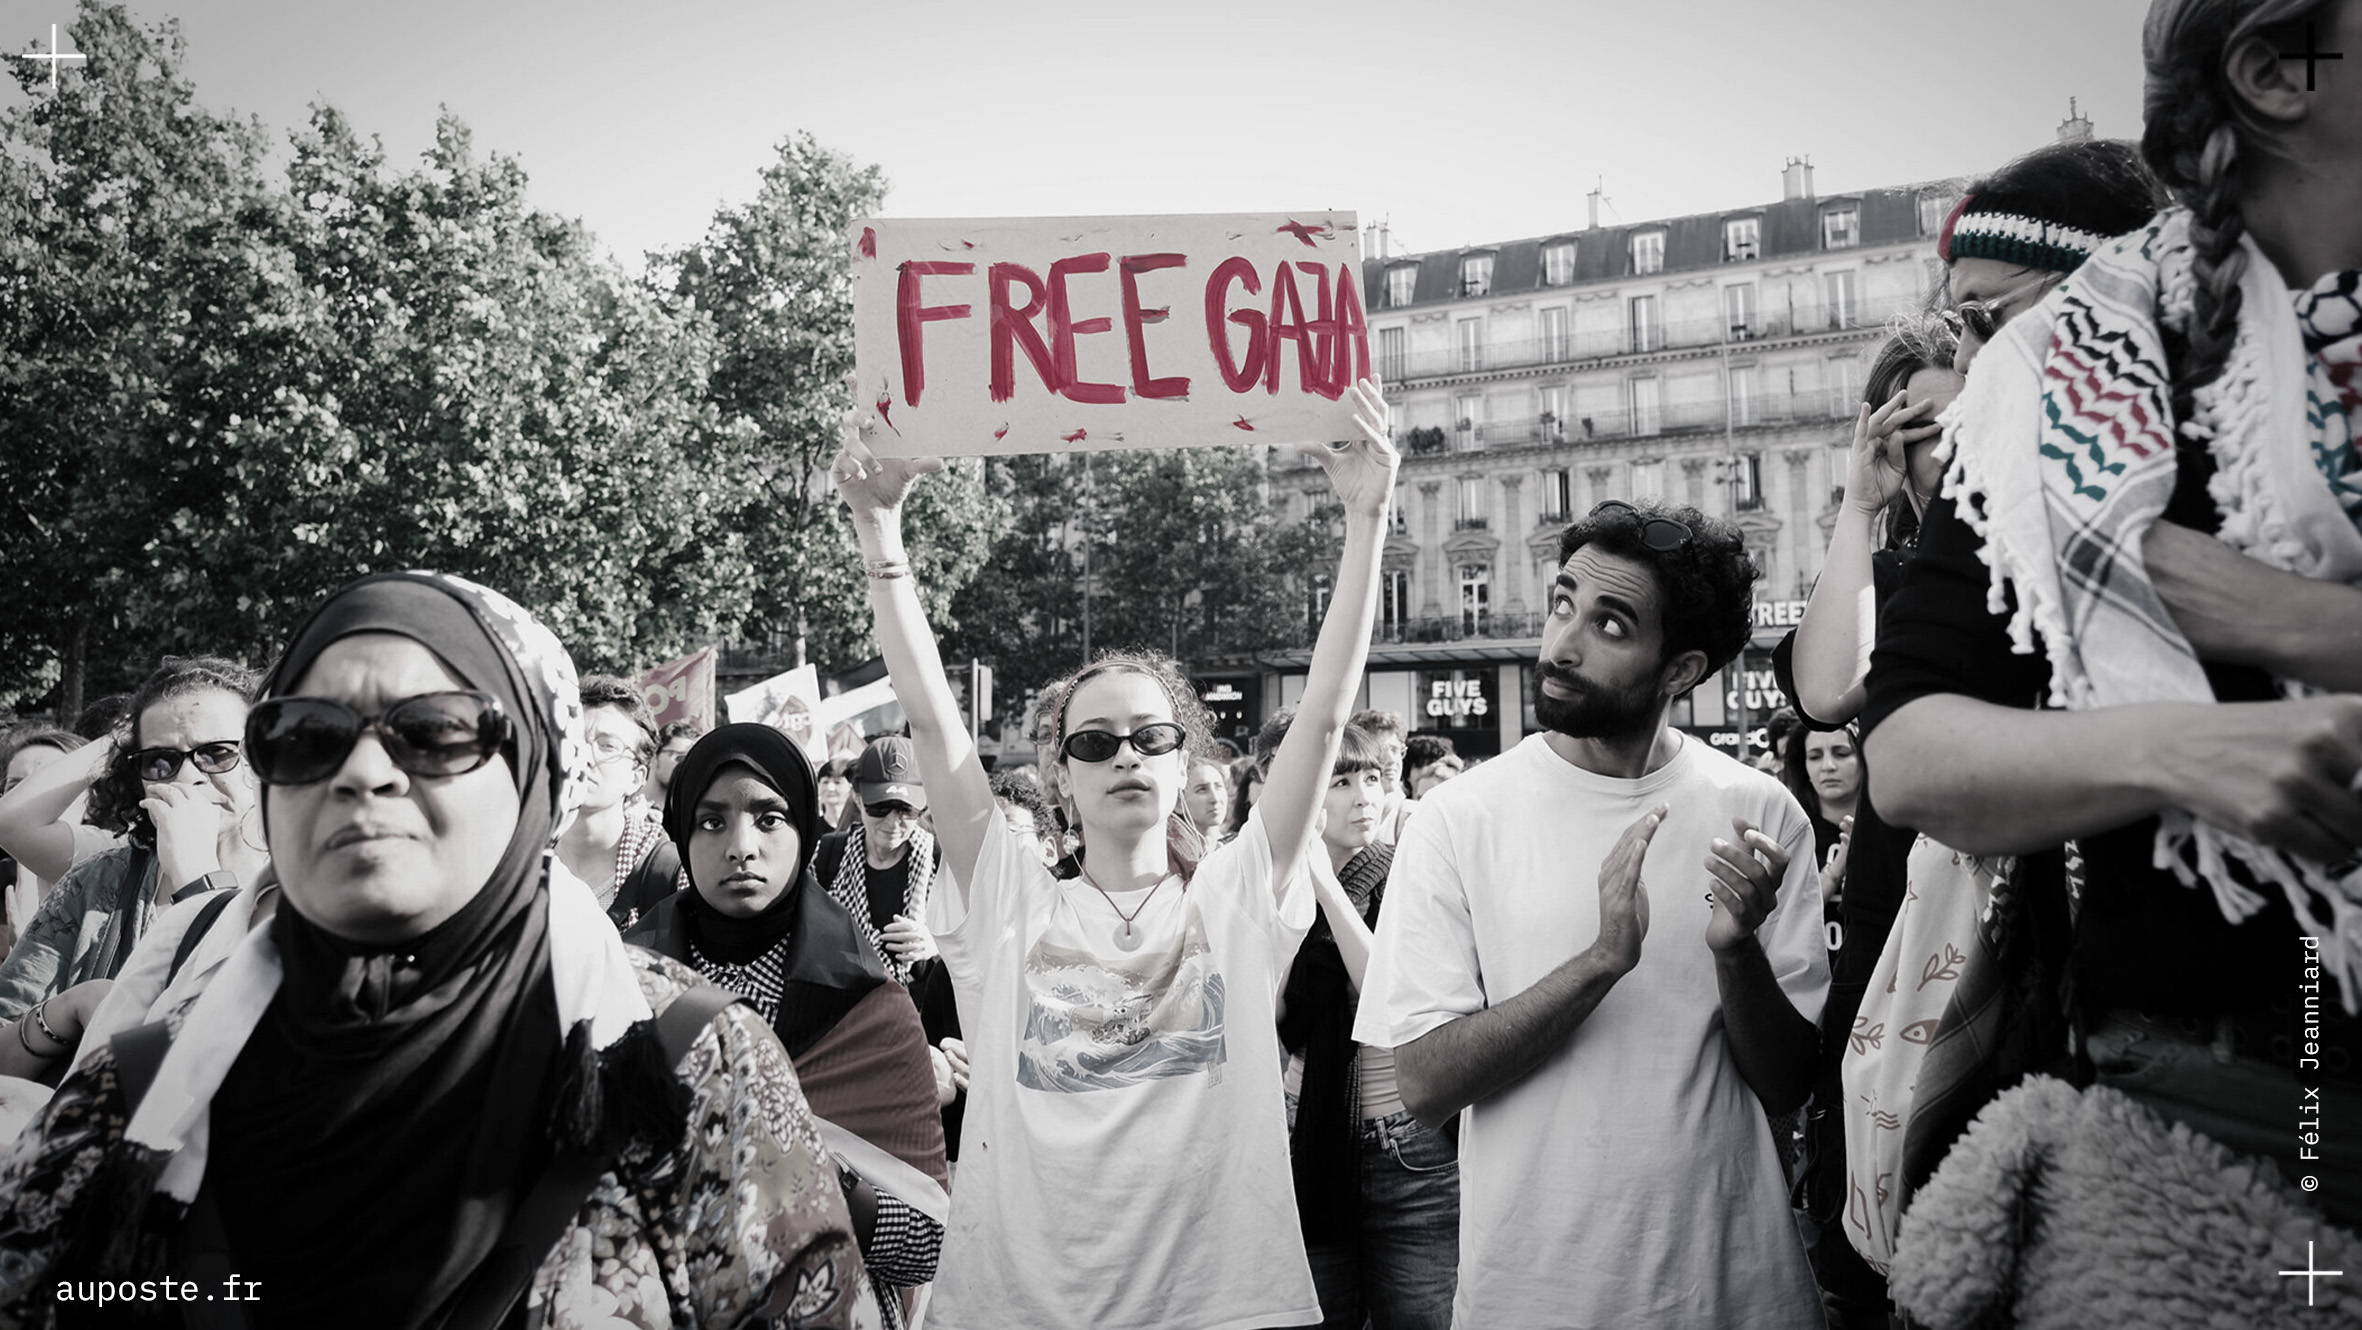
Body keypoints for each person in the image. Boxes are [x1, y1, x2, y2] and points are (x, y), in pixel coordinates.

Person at [0, 570, 878, 1328]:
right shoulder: (150, 1088)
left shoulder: (686, 1068)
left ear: (537, 777)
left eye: (434, 732)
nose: (362, 773)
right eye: (307, 734)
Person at [1867, 0, 2362, 1264]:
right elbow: (1907, 752)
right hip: (2227, 1140)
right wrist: (2177, 751)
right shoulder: (2058, 387)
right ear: (2275, 71)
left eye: (1983, 313)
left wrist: (2264, 611)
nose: (1965, 349)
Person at [829, 374, 1397, 1329]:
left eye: (1150, 737)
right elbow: (930, 724)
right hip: (1024, 1312)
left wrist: (1367, 518)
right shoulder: (1009, 904)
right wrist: (879, 532)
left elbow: (1327, 716)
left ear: (1185, 764)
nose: (1124, 755)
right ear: (1060, 778)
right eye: (1094, 742)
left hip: (1223, 1310)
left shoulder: (1236, 899)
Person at [1355, 499, 1830, 1329]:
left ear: (1680, 671)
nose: (1561, 644)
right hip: (1535, 1295)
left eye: (1610, 625)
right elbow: (1424, 1085)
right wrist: (1600, 962)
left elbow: (1790, 1084)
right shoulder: (1459, 817)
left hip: (1736, 1287)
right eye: (1563, 604)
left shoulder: (1759, 812)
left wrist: (1736, 952)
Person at [626, 723, 948, 1329]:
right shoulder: (624, 986)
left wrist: (809, 1173)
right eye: (711, 821)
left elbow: (927, 1243)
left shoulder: (870, 1007)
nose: (741, 847)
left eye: (770, 819)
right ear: (681, 834)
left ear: (805, 829)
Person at [1277, 718, 1459, 1330]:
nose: (1364, 796)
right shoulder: (1275, 886)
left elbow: (1387, 998)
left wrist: (1328, 889)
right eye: (1342, 782)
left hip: (1407, 1148)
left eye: (1374, 778)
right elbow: (1275, 1018)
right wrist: (1298, 892)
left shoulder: (1409, 870)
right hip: (1310, 1140)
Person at [0, 656, 267, 1021]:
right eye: (159, 759)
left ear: (262, 756)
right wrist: (62, 1015)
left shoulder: (307, 881)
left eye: (216, 753)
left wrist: (197, 880)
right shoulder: (103, 877)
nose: (187, 777)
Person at [812, 736, 938, 988]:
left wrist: (935, 945)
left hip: (919, 1005)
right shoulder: (828, 855)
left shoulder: (941, 861)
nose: (892, 822)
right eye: (879, 807)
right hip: (843, 1000)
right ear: (858, 798)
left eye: (906, 809)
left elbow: (974, 938)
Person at [560, 675, 678, 931]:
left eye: (608, 746)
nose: (585, 756)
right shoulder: (519, 859)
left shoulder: (670, 875)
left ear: (636, 778)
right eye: (575, 740)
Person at [0, 728, 82, 954]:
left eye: (48, 788)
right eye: (15, 788)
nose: (28, 802)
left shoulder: (116, 880)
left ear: (93, 802)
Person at [640, 718, 702, 810]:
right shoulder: (626, 805)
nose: (686, 766)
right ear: (655, 755)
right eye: (680, 757)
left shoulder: (686, 813)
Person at [1182, 757, 1231, 837]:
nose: (1215, 798)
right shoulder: (1167, 844)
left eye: (1218, 786)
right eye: (1202, 789)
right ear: (1179, 804)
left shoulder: (1242, 842)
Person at [818, 754, 858, 832]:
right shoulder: (811, 828)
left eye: (837, 782)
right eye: (825, 782)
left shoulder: (859, 828)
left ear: (851, 787)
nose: (830, 788)